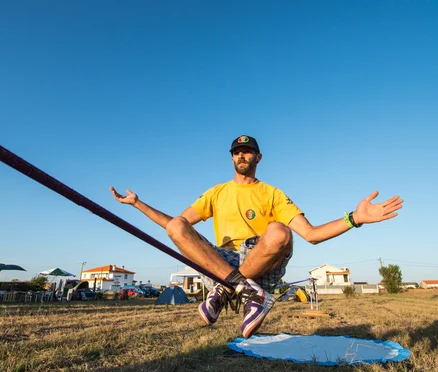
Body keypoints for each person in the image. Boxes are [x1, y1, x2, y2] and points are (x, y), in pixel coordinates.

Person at [110, 135, 403, 338]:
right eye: (236, 151)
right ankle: (239, 290)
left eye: (247, 151)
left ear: (258, 157)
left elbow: (311, 235)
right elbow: (177, 227)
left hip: (260, 266)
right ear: (231, 157)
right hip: (222, 263)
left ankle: (229, 290)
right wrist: (137, 203)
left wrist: (355, 218)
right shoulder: (217, 192)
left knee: (278, 230)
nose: (241, 154)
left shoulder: (272, 194)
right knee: (176, 225)